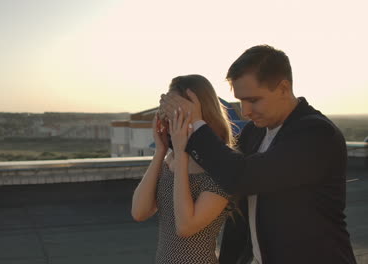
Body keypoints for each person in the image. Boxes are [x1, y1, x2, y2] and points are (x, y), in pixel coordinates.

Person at [160, 45, 356, 264]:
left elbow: (242, 177)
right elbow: (239, 208)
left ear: (283, 88)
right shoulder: (253, 132)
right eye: (241, 100)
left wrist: (197, 124)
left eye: (253, 100)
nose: (245, 111)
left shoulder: (316, 134)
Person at [131, 74, 234, 264]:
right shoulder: (171, 158)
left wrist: (181, 153)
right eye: (167, 113)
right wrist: (160, 151)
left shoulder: (220, 165)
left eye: (176, 112)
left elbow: (186, 226)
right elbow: (139, 212)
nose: (170, 121)